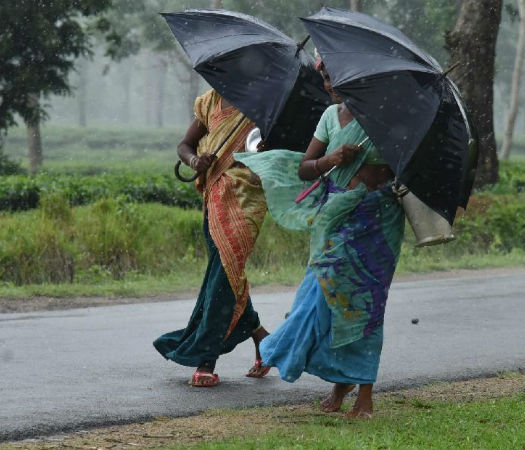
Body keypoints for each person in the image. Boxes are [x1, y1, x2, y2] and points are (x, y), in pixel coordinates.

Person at [234, 58, 405, 417]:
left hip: (376, 221)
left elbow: (401, 167)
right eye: (323, 76)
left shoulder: (385, 117)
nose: (328, 82)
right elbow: (304, 167)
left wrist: (383, 161)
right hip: (335, 219)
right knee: (321, 299)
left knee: (364, 303)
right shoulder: (330, 116)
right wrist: (333, 158)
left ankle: (365, 392)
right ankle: (341, 384)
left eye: (332, 74)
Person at [153, 89, 270, 387]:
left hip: (246, 201)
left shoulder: (262, 103)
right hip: (213, 199)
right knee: (226, 275)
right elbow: (184, 145)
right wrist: (194, 161)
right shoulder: (208, 102)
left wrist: (265, 148)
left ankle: (206, 359)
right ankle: (263, 340)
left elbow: (278, 151)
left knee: (224, 275)